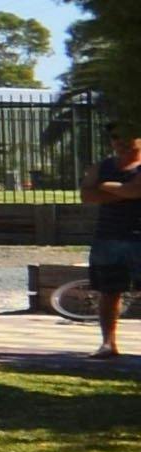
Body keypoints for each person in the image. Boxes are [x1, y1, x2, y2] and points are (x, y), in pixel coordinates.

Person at [89, 126, 141, 329]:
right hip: (108, 238)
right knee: (109, 292)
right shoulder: (102, 166)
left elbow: (136, 190)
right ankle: (108, 344)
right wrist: (125, 191)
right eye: (115, 136)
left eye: (127, 135)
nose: (120, 140)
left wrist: (104, 186)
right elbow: (87, 195)